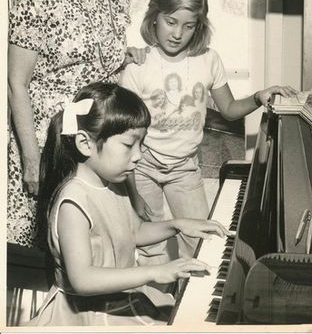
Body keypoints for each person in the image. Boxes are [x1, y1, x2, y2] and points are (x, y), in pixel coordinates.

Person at [8, 0, 161, 247]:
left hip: (88, 144)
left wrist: (126, 57)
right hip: (42, 141)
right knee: (40, 251)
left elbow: (94, 62)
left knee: (85, 243)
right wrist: (32, 160)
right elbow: (17, 82)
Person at [120, 0, 297, 265]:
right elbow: (125, 137)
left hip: (185, 167)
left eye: (188, 26)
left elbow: (228, 109)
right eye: (170, 21)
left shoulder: (209, 59)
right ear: (154, 18)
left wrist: (258, 96)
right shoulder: (137, 66)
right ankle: (158, 306)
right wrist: (132, 191)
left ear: (198, 26)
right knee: (152, 251)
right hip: (143, 168)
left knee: (202, 241)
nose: (177, 33)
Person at [29, 82, 231, 326]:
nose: (138, 156)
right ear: (86, 144)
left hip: (118, 301)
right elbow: (82, 279)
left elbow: (134, 231)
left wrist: (178, 225)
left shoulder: (114, 181)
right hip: (86, 315)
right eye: (128, 145)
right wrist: (155, 272)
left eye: (141, 145)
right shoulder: (73, 203)